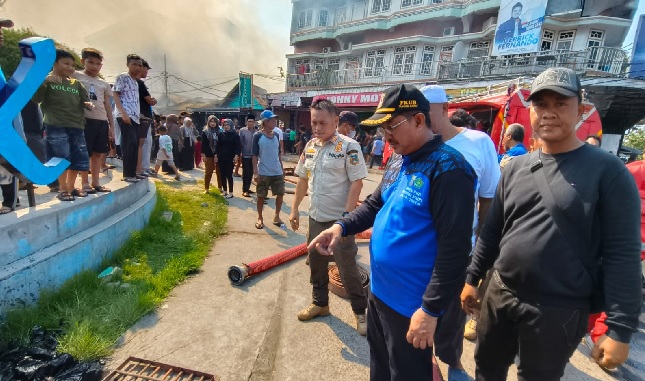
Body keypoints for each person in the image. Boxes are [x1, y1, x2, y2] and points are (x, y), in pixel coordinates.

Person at [460, 67, 642, 379]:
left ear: (581, 108)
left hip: (559, 309)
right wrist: (473, 277)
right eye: (541, 104)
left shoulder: (608, 173)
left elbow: (622, 254)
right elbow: (492, 231)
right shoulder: (516, 168)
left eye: (560, 104)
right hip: (501, 293)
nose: (549, 113)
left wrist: (620, 329)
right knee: (486, 369)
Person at [309, 84, 476, 381]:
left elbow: (455, 251)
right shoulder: (399, 159)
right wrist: (342, 226)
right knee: (381, 368)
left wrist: (429, 310)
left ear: (419, 120)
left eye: (391, 125)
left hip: (412, 306)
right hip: (379, 293)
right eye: (382, 126)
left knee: (408, 374)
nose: (385, 133)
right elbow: (375, 203)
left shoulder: (449, 170)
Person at [422, 84, 500, 381]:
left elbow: (489, 197)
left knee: (453, 313)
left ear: (444, 109)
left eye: (426, 113)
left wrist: (482, 247)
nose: (421, 121)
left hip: (460, 250)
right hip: (422, 249)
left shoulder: (478, 143)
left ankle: (453, 361)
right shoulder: (419, 144)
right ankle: (426, 361)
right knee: (421, 308)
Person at [290, 100, 368, 335]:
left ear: (336, 121)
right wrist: (294, 209)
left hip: (339, 223)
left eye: (322, 122)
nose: (317, 127)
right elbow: (302, 180)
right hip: (315, 218)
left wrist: (346, 218)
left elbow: (357, 182)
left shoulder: (349, 147)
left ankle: (360, 312)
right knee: (316, 263)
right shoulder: (310, 146)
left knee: (347, 268)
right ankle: (320, 304)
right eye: (314, 122)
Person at [33, 49, 95, 201]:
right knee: (60, 157)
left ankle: (71, 187)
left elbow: (85, 100)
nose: (70, 68)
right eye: (66, 63)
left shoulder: (76, 84)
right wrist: (45, 82)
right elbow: (36, 99)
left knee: (77, 157)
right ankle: (62, 189)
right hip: (56, 125)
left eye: (73, 65)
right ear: (54, 63)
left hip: (77, 125)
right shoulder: (48, 81)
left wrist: (88, 104)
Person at [73, 47, 114, 193]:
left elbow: (108, 105)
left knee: (98, 153)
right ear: (83, 61)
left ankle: (96, 182)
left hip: (101, 120)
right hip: (84, 120)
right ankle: (84, 182)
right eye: (91, 62)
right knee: (85, 152)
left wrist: (111, 125)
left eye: (98, 64)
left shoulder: (104, 84)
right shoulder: (75, 76)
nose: (94, 66)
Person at [252, 110, 285, 229]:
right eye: (272, 120)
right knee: (261, 196)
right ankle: (260, 218)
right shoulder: (258, 136)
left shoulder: (276, 135)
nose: (275, 122)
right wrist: (255, 172)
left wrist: (282, 167)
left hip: (277, 171)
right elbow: (254, 156)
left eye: (275, 120)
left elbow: (278, 154)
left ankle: (277, 216)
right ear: (265, 122)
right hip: (263, 172)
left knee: (280, 194)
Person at [113, 54, 143, 183]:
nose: (137, 67)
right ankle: (128, 174)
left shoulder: (136, 82)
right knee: (129, 144)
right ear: (128, 65)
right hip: (125, 116)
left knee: (134, 145)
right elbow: (115, 94)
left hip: (135, 117)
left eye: (140, 65)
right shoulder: (123, 77)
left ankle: (133, 173)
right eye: (134, 64)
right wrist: (123, 113)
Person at [137, 59, 157, 177]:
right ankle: (142, 167)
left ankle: (145, 166)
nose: (147, 72)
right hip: (143, 118)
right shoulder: (139, 83)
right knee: (144, 143)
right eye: (146, 69)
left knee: (147, 143)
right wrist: (153, 100)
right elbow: (150, 100)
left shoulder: (139, 83)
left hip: (146, 118)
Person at [217, 119, 241, 198]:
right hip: (222, 157)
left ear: (231, 125)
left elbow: (238, 146)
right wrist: (216, 155)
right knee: (222, 174)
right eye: (225, 125)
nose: (226, 126)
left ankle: (231, 192)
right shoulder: (221, 134)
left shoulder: (235, 135)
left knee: (229, 175)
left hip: (230, 157)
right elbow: (218, 146)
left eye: (228, 125)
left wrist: (236, 155)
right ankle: (224, 190)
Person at [201, 115, 220, 194]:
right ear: (208, 122)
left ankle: (220, 187)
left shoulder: (219, 132)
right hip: (208, 154)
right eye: (211, 122)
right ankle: (206, 188)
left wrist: (217, 154)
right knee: (208, 172)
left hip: (218, 154)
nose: (212, 123)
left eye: (214, 122)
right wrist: (203, 155)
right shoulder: (205, 132)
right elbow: (203, 144)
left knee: (219, 172)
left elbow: (220, 144)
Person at [239, 114, 256, 197]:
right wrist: (239, 154)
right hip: (245, 155)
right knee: (246, 173)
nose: (251, 123)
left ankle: (248, 188)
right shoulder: (242, 131)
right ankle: (244, 190)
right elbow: (240, 143)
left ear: (254, 122)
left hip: (254, 156)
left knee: (251, 173)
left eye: (252, 122)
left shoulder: (257, 132)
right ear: (246, 122)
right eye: (249, 121)